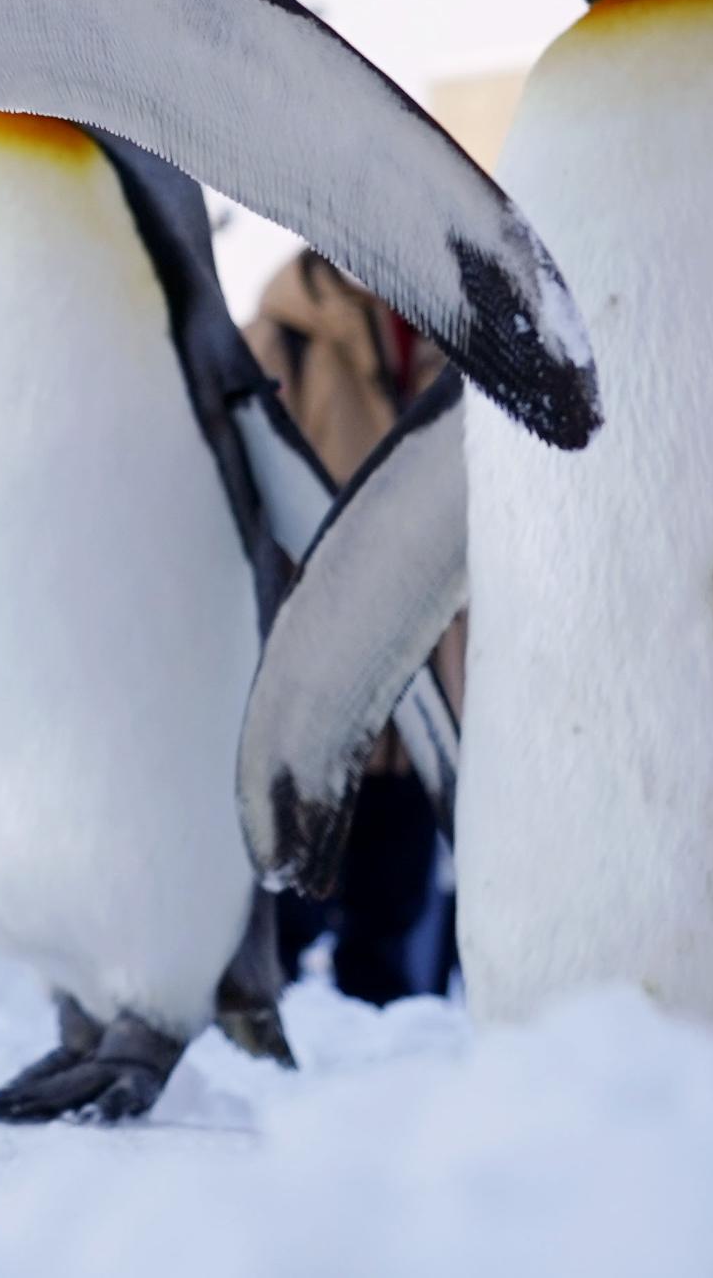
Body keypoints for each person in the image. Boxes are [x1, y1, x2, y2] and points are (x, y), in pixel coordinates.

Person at [245, 244, 461, 1005]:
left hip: (419, 717)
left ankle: (376, 1107)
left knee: (390, 943)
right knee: (280, 927)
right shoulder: (288, 339)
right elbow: (247, 509)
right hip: (313, 710)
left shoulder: (459, 345)